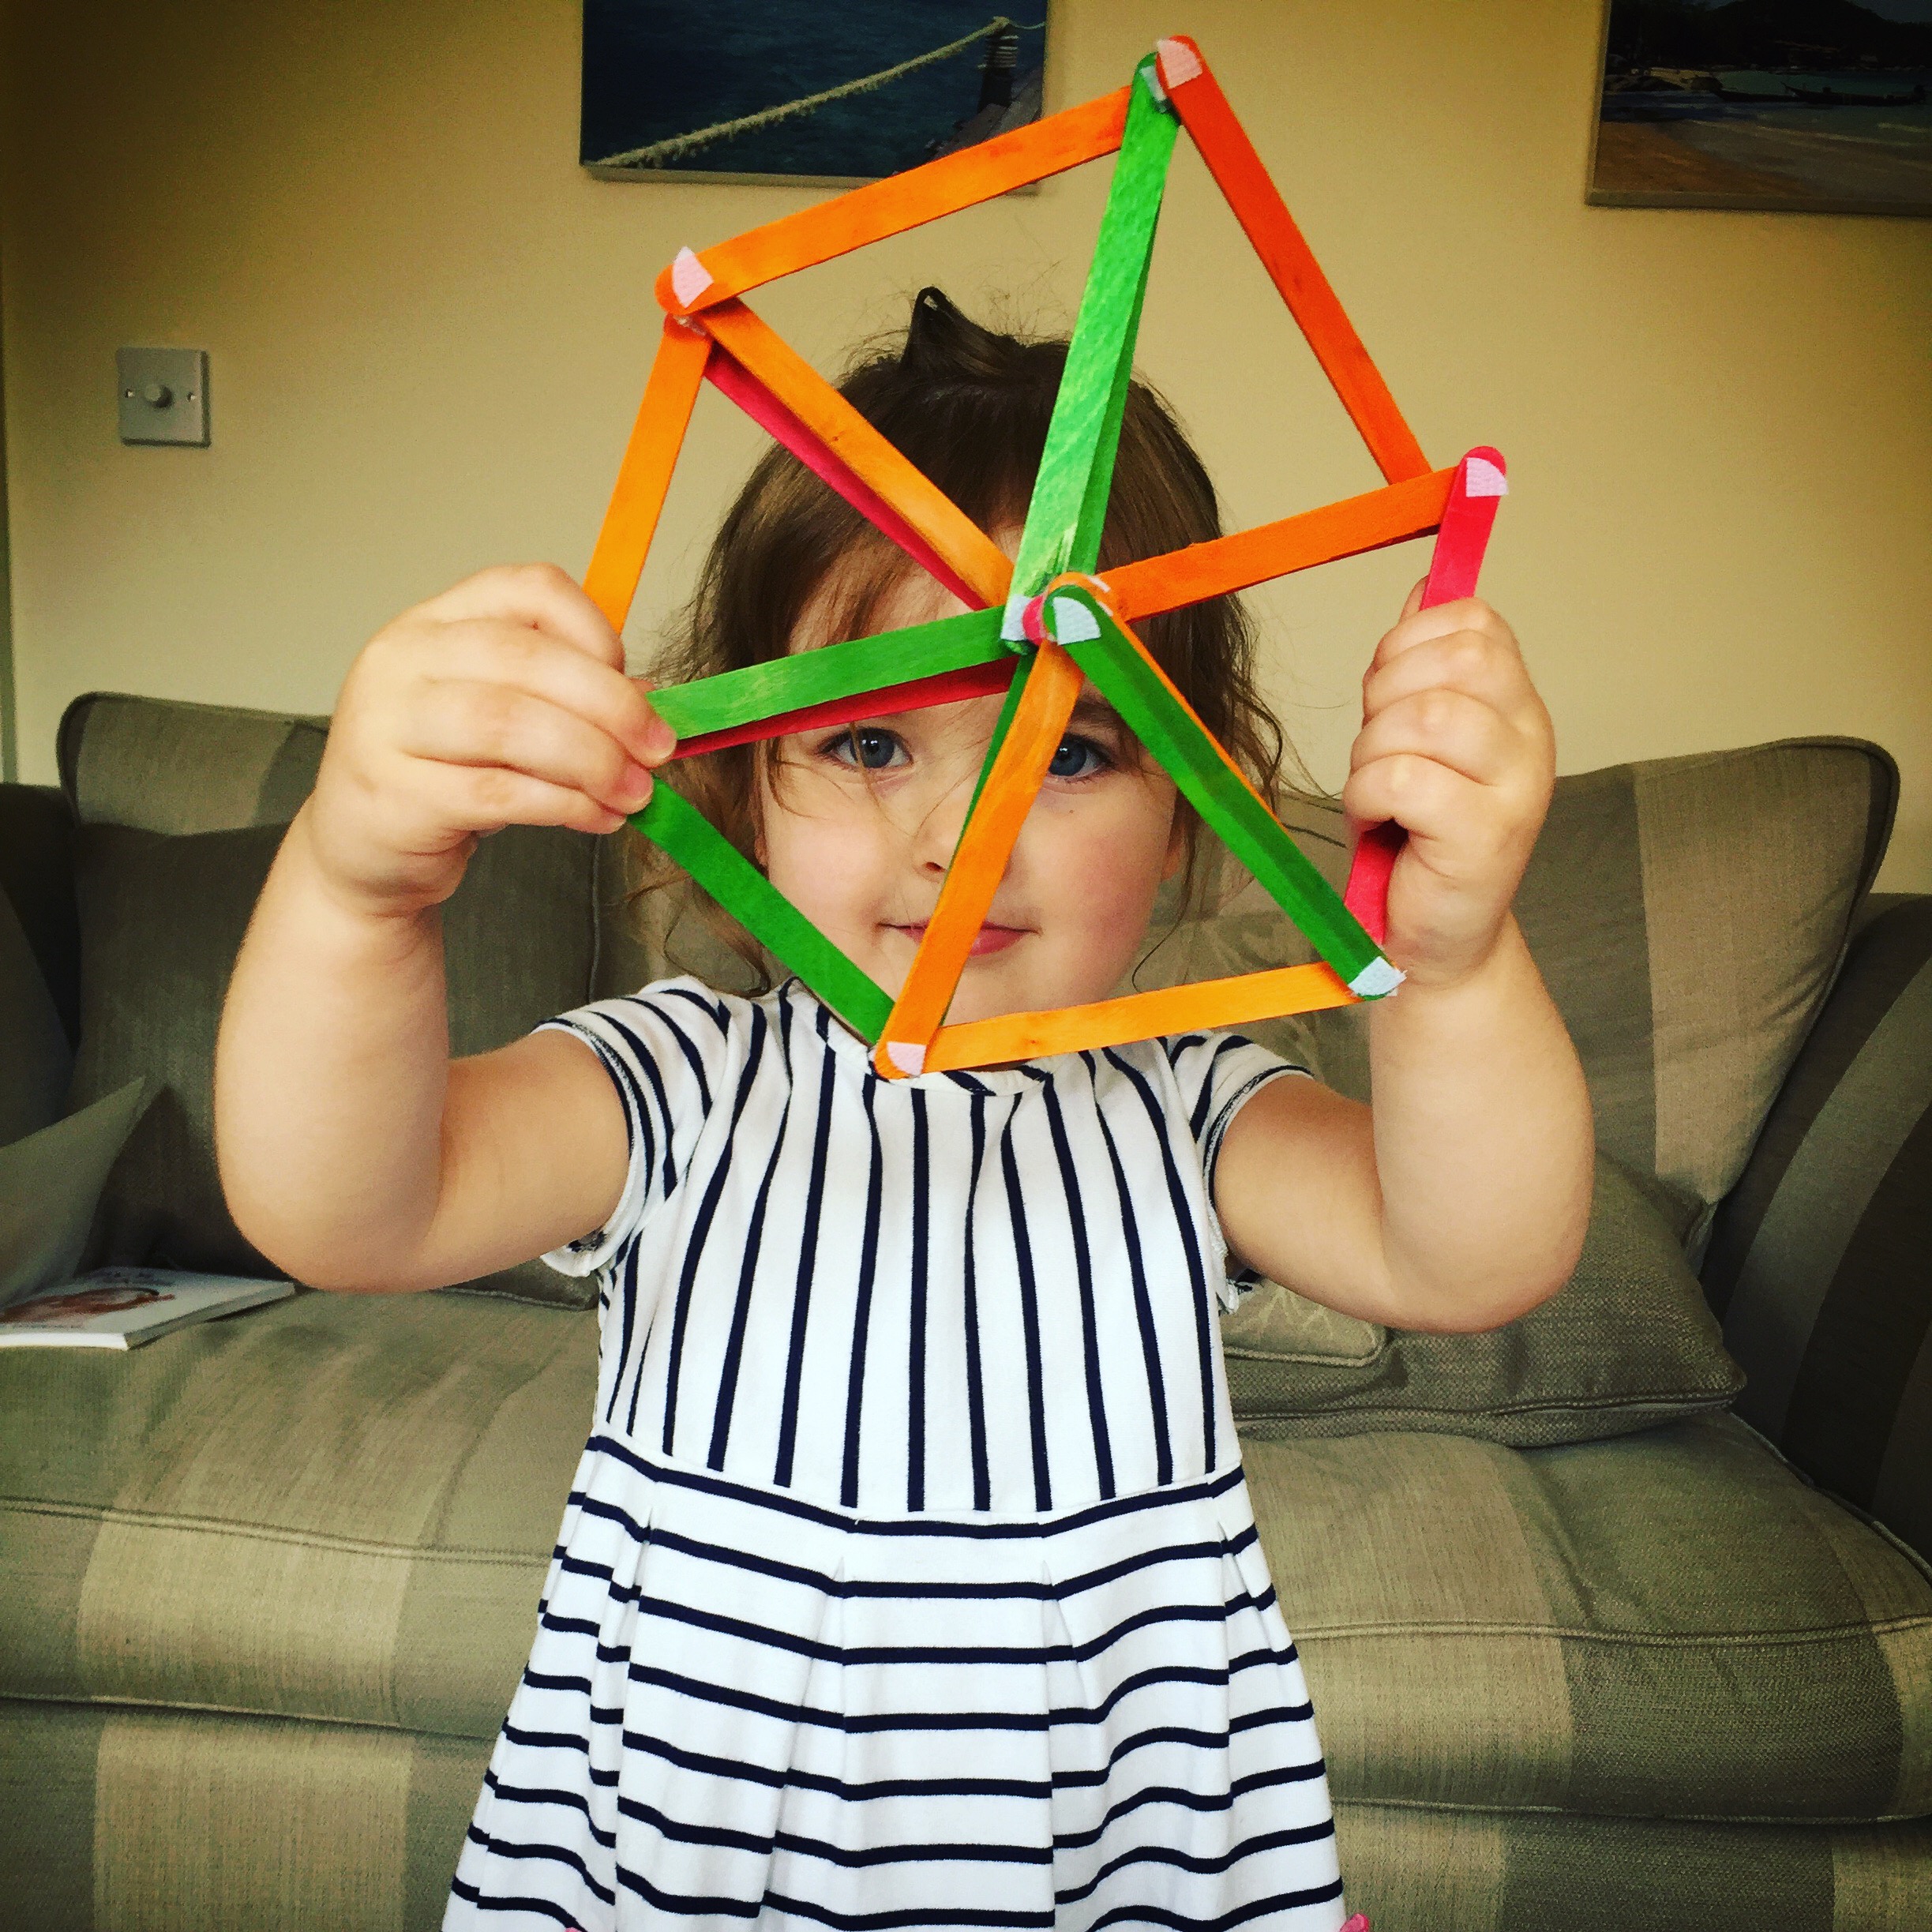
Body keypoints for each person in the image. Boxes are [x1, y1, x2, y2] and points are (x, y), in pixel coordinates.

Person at [216, 287, 1592, 1931]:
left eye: (1071, 752)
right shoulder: (677, 1086)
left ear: (1186, 808)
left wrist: (1453, 961)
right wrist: (354, 893)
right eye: (873, 737)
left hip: (1106, 1876)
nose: (965, 835)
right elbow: (339, 1210)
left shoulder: (1189, 1113)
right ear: (733, 780)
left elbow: (1472, 1256)